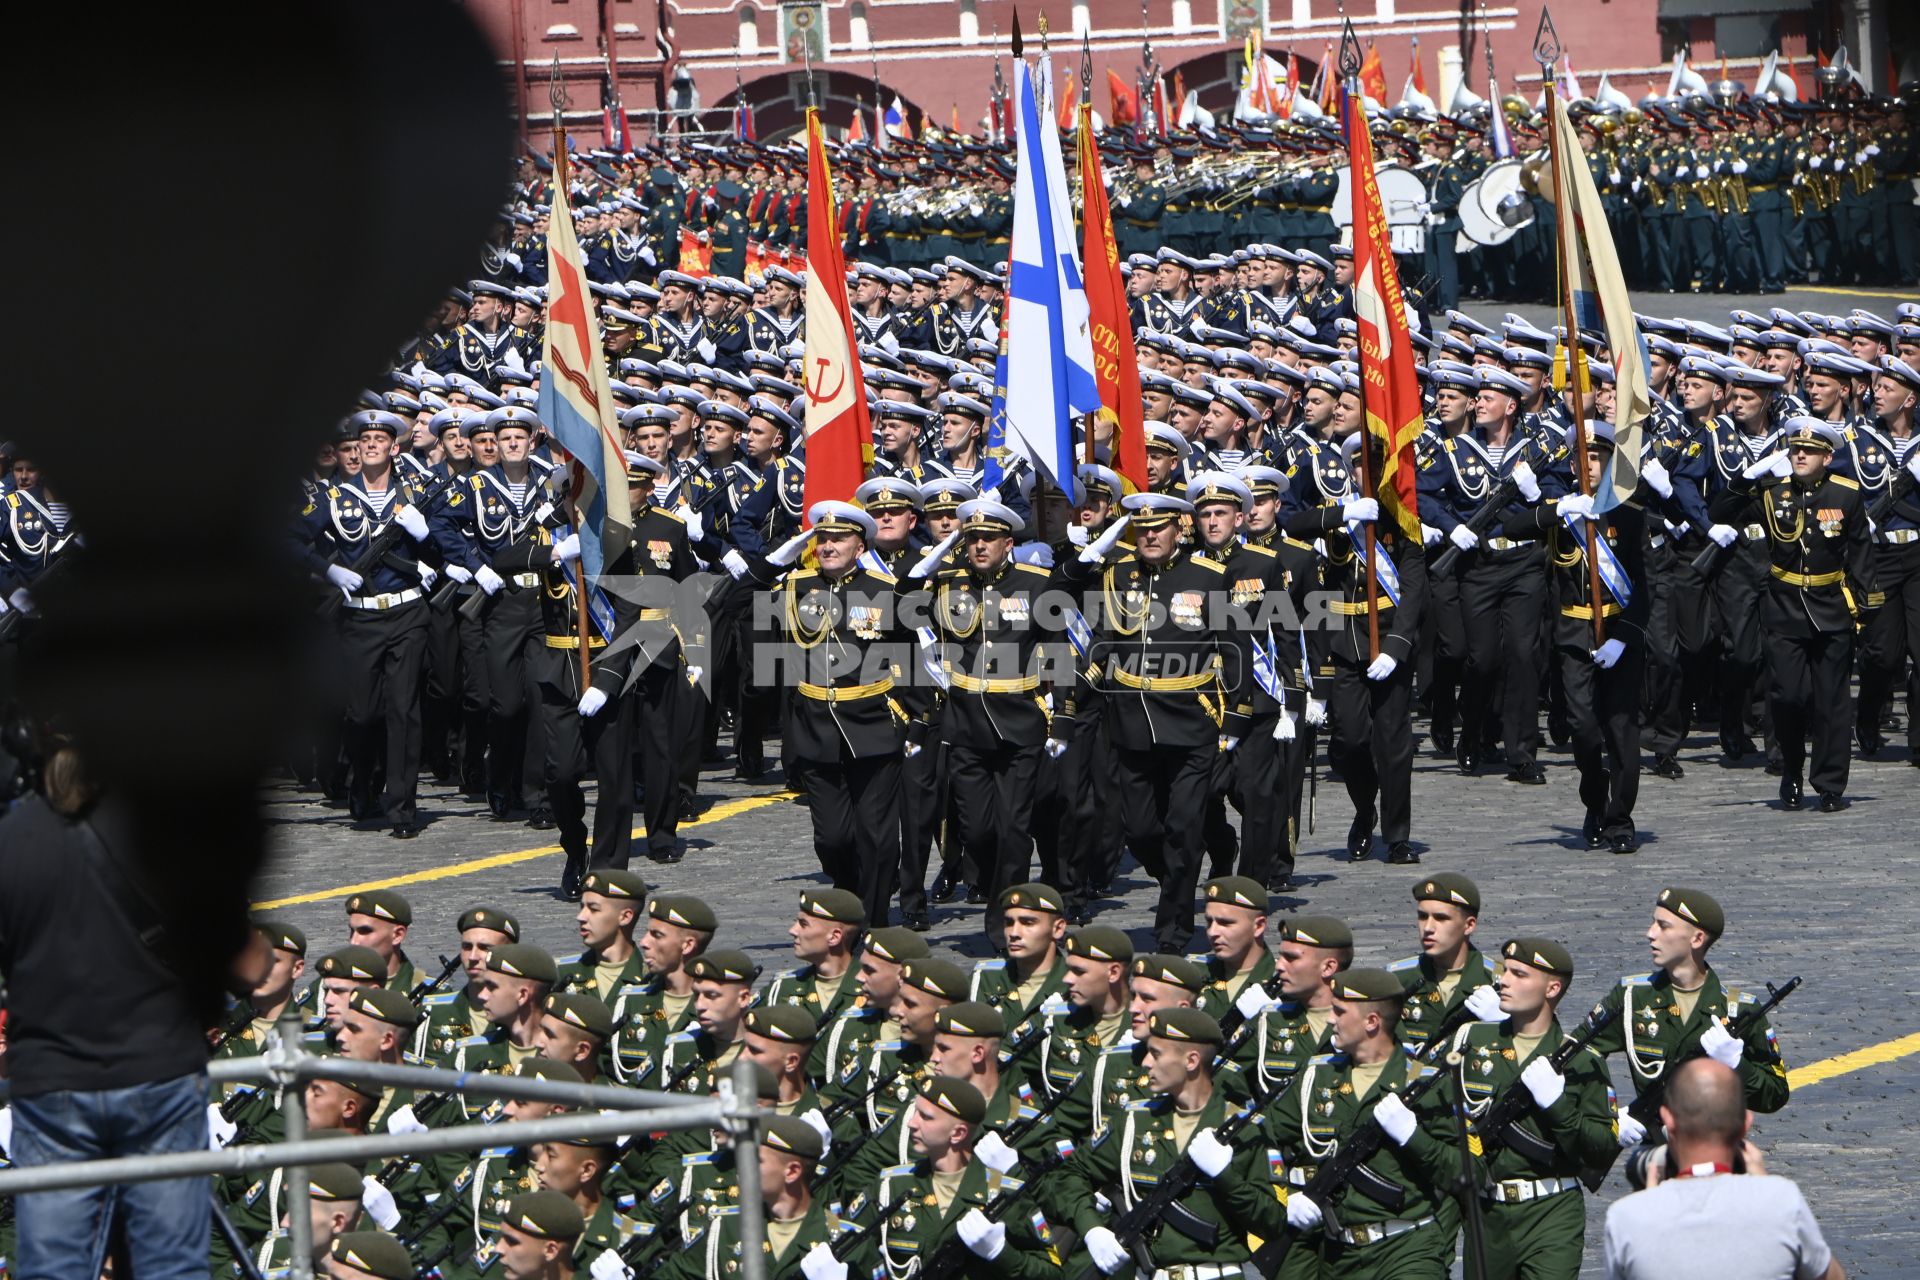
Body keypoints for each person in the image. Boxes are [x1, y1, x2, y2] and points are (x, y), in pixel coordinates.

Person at [0, 732, 245, 1280]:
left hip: (53, 1079)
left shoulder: (11, 839)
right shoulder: (165, 832)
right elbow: (246, 963)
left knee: (53, 1268)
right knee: (171, 1265)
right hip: (159, 1071)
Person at [1592, 887, 1790, 1166]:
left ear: (1697, 938)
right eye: (1653, 923)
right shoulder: (1632, 997)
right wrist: (1610, 1115)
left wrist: (1736, 1065)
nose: (1650, 933)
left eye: (1663, 926)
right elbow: (1579, 1057)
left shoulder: (1737, 1010)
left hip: (1720, 1162)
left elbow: (1776, 1094)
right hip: (1655, 1160)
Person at [1603, 1059, 1844, 1280]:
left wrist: (1649, 1203)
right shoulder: (1782, 1201)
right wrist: (1763, 1185)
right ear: (1746, 1123)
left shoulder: (1626, 1218)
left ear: (1669, 1120)